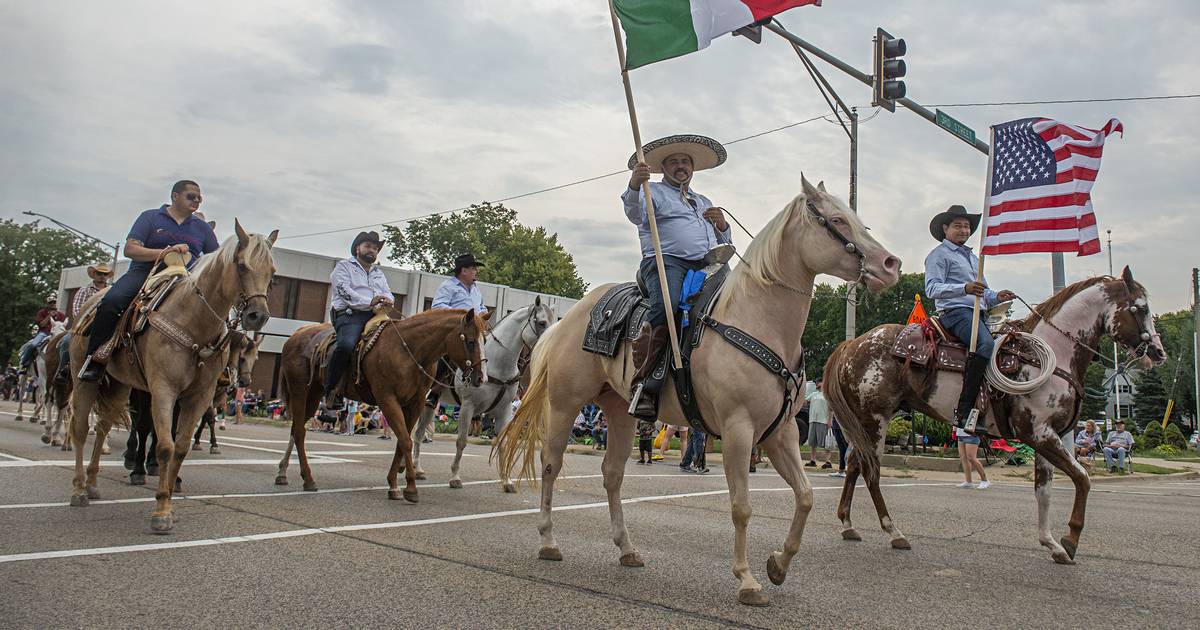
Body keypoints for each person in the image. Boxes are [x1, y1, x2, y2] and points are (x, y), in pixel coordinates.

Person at [622, 134, 731, 419]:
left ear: (692, 168)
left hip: (707, 264)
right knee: (668, 304)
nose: (681, 166)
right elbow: (634, 214)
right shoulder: (651, 191)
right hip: (665, 261)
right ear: (664, 167)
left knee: (736, 300)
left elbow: (717, 238)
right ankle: (644, 383)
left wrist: (722, 225)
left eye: (685, 161)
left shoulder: (702, 199)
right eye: (675, 162)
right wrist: (634, 185)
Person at [78, 180, 220, 381]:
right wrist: (165, 252)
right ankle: (95, 358)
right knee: (112, 301)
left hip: (185, 280)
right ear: (175, 196)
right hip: (145, 273)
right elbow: (131, 250)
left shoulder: (203, 228)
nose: (196, 200)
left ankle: (218, 369)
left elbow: (215, 259)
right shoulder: (150, 217)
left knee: (218, 313)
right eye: (191, 196)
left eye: (199, 198)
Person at [923, 205, 1016, 432]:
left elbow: (984, 293)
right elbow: (932, 288)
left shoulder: (974, 258)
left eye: (966, 226)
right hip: (955, 313)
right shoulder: (938, 255)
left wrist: (996, 297)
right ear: (945, 228)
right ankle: (963, 412)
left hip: (978, 313)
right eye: (958, 226)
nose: (963, 230)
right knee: (984, 345)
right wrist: (964, 288)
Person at [323, 231, 394, 410]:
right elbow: (343, 291)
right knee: (346, 345)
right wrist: (369, 301)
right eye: (368, 246)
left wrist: (388, 299)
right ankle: (332, 389)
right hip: (349, 315)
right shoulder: (344, 267)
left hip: (375, 315)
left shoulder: (379, 273)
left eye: (375, 248)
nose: (372, 250)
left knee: (396, 343)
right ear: (358, 248)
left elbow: (387, 291)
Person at [55, 263, 112, 384]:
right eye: (99, 273)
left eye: (105, 274)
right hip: (84, 325)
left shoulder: (112, 291)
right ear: (94, 275)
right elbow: (77, 311)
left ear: (108, 276)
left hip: (106, 326)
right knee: (65, 342)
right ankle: (63, 369)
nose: (102, 276)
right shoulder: (84, 290)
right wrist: (87, 321)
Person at [18, 296, 66, 372]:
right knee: (33, 345)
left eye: (54, 302)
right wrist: (50, 315)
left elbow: (63, 326)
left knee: (66, 345)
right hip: (44, 333)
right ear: (47, 304)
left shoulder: (61, 315)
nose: (52, 304)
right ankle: (24, 363)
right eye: (50, 303)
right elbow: (42, 325)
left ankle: (64, 367)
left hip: (56, 334)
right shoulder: (42, 312)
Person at [805, 379, 832, 469]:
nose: (817, 384)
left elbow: (831, 409)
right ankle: (813, 460)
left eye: (819, 382)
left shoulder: (827, 395)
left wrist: (830, 420)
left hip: (823, 420)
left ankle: (828, 461)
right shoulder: (813, 394)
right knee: (812, 442)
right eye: (816, 383)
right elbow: (805, 400)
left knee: (825, 442)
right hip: (813, 420)